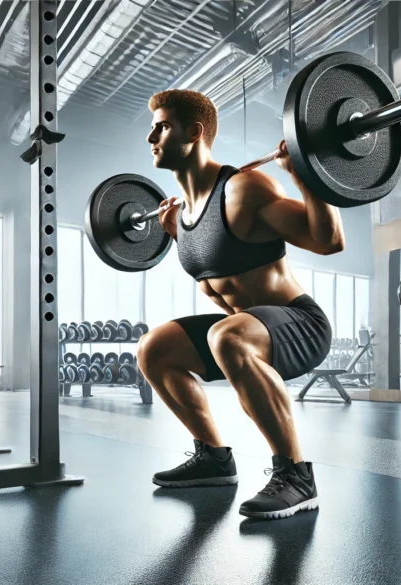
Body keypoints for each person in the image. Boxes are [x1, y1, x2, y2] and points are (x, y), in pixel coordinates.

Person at [136, 89, 342, 520]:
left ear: (194, 132)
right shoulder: (184, 214)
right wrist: (177, 234)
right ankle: (213, 457)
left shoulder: (244, 189)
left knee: (225, 335)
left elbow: (329, 242)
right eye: (153, 126)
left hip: (300, 327)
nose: (151, 136)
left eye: (163, 126)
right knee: (153, 348)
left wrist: (306, 174)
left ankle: (296, 476)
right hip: (241, 334)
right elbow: (220, 274)